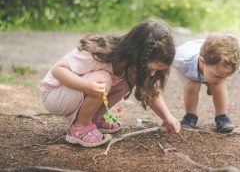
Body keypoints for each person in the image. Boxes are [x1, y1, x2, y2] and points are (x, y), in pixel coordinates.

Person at [39, 18, 181, 147]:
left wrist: (168, 117)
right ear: (137, 54)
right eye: (151, 69)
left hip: (73, 94)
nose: (152, 74)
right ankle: (79, 128)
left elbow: (149, 90)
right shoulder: (100, 53)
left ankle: (93, 119)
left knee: (127, 80)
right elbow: (58, 70)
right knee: (103, 79)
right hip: (55, 95)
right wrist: (86, 86)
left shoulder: (132, 67)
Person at [173, 33, 240, 133]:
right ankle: (190, 116)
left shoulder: (236, 64)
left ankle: (222, 117)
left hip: (208, 69)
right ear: (202, 62)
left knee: (218, 85)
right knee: (193, 86)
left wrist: (216, 78)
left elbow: (220, 75)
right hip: (189, 69)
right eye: (217, 76)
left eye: (225, 77)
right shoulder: (181, 60)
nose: (222, 79)